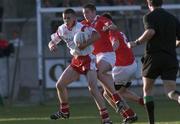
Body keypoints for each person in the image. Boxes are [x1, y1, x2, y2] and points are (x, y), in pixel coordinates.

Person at [48, 8, 113, 124]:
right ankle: (64, 111)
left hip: (89, 58)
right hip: (77, 60)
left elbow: (97, 35)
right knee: (60, 85)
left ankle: (106, 119)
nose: (66, 20)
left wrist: (84, 44)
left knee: (92, 88)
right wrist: (52, 45)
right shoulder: (62, 29)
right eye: (64, 18)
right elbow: (52, 41)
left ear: (74, 18)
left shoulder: (81, 27)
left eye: (68, 18)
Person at [81, 3, 137, 123]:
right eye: (84, 13)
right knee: (104, 91)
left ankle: (117, 100)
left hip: (108, 55)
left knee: (99, 72)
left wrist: (110, 30)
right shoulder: (84, 24)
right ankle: (129, 114)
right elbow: (74, 30)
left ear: (94, 12)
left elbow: (113, 27)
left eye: (88, 12)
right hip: (97, 57)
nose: (86, 15)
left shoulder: (101, 20)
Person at [128, 0, 180, 123]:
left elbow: (150, 31)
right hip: (170, 58)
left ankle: (151, 122)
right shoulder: (172, 18)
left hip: (153, 57)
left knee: (147, 90)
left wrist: (136, 42)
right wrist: (171, 47)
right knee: (171, 92)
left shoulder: (149, 16)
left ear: (149, 4)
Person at [102, 13, 144, 106]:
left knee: (107, 93)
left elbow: (115, 44)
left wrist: (107, 52)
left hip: (123, 67)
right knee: (122, 91)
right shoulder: (120, 32)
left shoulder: (111, 32)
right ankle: (143, 102)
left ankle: (127, 114)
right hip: (132, 65)